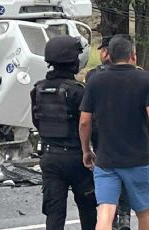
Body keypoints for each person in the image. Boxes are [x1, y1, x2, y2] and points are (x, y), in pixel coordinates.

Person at [79, 34, 149, 229]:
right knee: (145, 212)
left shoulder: (95, 81)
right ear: (133, 56)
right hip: (140, 159)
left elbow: (85, 122)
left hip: (106, 160)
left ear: (107, 54)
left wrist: (86, 150)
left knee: (105, 212)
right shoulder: (145, 79)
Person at [30, 35, 97, 230]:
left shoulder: (38, 89)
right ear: (73, 61)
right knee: (88, 208)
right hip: (77, 157)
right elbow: (89, 124)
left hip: (50, 156)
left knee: (54, 212)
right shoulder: (78, 91)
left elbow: (37, 121)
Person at [85, 34, 131, 230]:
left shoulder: (93, 77)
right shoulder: (137, 74)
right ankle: (124, 215)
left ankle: (110, 219)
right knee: (129, 175)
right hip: (130, 135)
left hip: (101, 135)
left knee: (107, 180)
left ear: (107, 52)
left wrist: (85, 147)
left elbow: (85, 118)